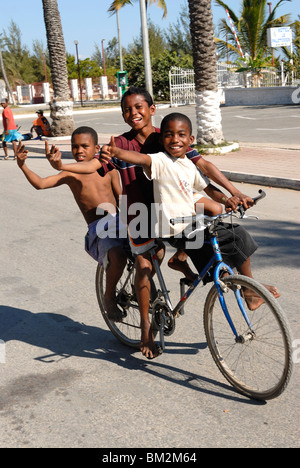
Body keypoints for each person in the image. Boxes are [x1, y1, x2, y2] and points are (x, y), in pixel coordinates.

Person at [47, 113, 280, 360]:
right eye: (126, 108)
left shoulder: (168, 137)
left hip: (179, 216)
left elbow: (203, 175)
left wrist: (231, 195)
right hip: (140, 214)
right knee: (144, 263)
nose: (133, 113)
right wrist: (72, 162)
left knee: (231, 234)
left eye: (139, 107)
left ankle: (243, 286)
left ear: (151, 109)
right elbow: (113, 162)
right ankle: (146, 329)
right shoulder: (135, 147)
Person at [101, 112, 280, 305]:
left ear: (190, 140)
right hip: (173, 227)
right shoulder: (160, 160)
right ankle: (249, 289)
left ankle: (240, 283)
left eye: (181, 135)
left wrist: (227, 199)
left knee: (224, 243)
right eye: (169, 135)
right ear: (162, 140)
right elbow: (139, 158)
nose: (175, 140)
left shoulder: (188, 164)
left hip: (189, 224)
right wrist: (117, 152)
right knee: (236, 236)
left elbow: (208, 189)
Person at [16, 126, 128, 322]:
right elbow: (41, 184)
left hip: (120, 221)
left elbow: (121, 198)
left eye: (85, 146)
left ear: (97, 148)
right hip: (99, 229)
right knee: (117, 255)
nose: (79, 151)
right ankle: (108, 297)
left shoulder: (109, 170)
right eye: (75, 147)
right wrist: (23, 166)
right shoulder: (71, 174)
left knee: (149, 249)